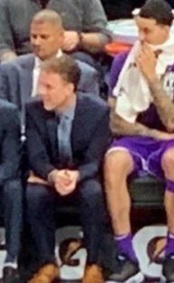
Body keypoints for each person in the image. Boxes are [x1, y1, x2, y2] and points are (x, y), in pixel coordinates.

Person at [102, 0, 174, 281]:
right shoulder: (123, 60)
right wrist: (152, 134)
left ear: (166, 28)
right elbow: (115, 120)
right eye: (138, 31)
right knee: (113, 162)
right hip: (139, 138)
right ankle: (125, 253)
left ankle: (173, 251)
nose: (141, 39)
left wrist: (152, 78)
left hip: (172, 142)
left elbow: (173, 121)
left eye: (147, 31)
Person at [24, 55, 109, 283]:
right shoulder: (33, 109)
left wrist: (76, 175)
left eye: (49, 87)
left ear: (69, 88)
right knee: (34, 194)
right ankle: (47, 264)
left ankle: (94, 265)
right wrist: (53, 175)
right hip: (49, 175)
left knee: (93, 193)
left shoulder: (97, 111)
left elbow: (94, 159)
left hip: (82, 174)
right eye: (41, 85)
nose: (42, 92)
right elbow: (36, 155)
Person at [0, 10, 99, 110]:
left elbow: (90, 117)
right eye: (34, 36)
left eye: (44, 37)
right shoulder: (9, 71)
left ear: (61, 37)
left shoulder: (85, 75)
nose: (36, 42)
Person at [0, 0, 111, 63]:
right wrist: (15, 67)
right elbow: (3, 47)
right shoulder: (6, 3)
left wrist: (80, 38)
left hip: (71, 61)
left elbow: (104, 38)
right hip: (26, 60)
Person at [0, 99, 19, 283]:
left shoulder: (7, 112)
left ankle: (11, 262)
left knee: (13, 188)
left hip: (1, 178)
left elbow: (11, 163)